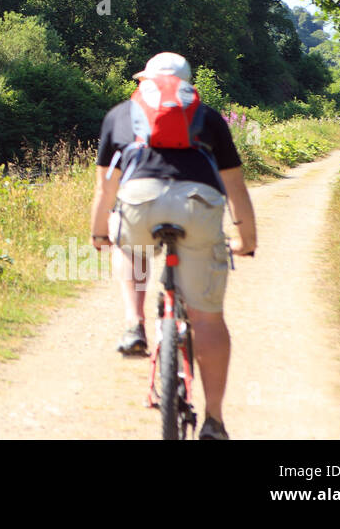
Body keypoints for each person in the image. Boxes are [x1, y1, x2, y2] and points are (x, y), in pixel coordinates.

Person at [89, 52, 257, 440]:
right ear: (187, 84)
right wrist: (247, 240)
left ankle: (135, 324)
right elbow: (235, 187)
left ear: (145, 82)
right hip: (199, 205)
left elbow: (105, 188)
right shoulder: (209, 118)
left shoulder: (119, 115)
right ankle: (214, 421)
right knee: (208, 319)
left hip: (140, 202)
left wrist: (100, 233)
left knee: (128, 242)